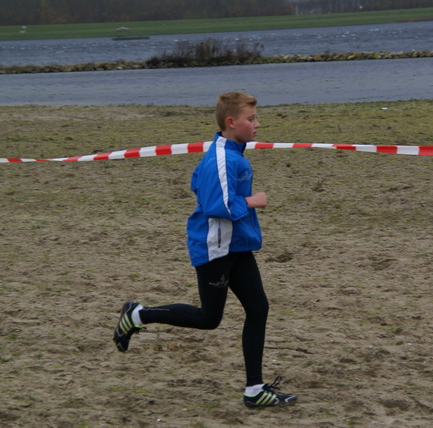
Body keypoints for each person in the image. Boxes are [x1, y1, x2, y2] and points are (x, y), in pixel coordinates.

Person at [113, 91, 297, 408]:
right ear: (231, 122)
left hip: (237, 246)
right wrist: (253, 201)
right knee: (209, 318)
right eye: (250, 119)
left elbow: (197, 183)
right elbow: (216, 205)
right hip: (216, 250)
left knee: (258, 309)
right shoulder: (222, 158)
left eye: (256, 118)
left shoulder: (233, 154)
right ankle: (138, 314)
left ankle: (254, 389)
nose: (257, 124)